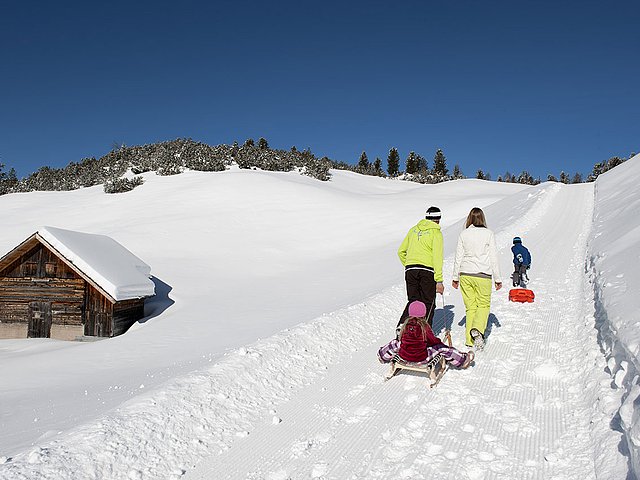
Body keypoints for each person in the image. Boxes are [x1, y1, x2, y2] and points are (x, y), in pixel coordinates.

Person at [451, 207, 502, 350]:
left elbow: (458, 257)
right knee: (483, 305)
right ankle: (478, 329)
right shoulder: (488, 234)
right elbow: (493, 257)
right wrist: (497, 279)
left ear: (469, 219)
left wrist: (455, 277)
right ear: (482, 218)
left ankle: (469, 340)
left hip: (465, 274)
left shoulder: (464, 234)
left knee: (470, 307)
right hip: (483, 274)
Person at [378, 301, 474, 368]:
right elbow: (432, 341)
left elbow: (402, 340)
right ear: (424, 314)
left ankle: (382, 355)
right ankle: (463, 360)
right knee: (443, 349)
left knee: (395, 343)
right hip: (421, 357)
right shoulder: (424, 327)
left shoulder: (404, 326)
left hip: (404, 356)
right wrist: (438, 343)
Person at [397, 206, 444, 327]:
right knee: (428, 302)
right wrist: (438, 280)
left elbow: (401, 251)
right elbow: (437, 257)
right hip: (427, 271)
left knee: (413, 302)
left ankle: (403, 325)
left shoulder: (413, 230)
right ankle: (425, 331)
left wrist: (409, 264)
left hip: (411, 270)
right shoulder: (436, 233)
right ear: (438, 219)